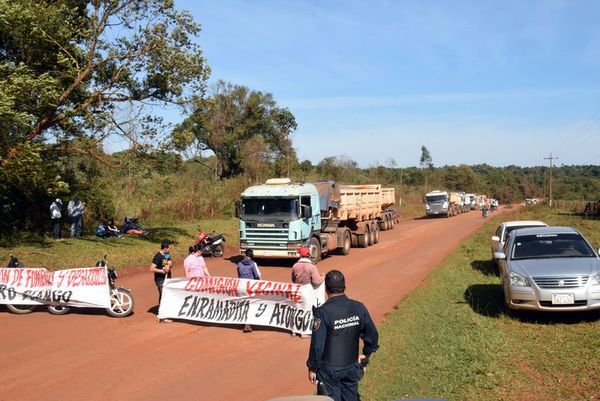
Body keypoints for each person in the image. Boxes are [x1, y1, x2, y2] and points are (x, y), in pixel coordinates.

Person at [307, 270, 379, 401]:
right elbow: (372, 335)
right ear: (345, 286)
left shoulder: (322, 312)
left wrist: (312, 367)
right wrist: (366, 355)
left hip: (329, 372)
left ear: (326, 289)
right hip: (351, 367)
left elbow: (317, 345)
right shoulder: (358, 307)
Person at [237, 249, 261, 332]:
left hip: (241, 286)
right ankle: (248, 323)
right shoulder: (253, 264)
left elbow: (239, 275)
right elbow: (257, 276)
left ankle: (244, 322)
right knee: (251, 305)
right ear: (252, 256)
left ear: (245, 255)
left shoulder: (239, 264)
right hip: (250, 286)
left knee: (243, 304)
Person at [149, 240, 173, 322]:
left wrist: (168, 265)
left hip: (167, 279)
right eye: (169, 248)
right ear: (165, 248)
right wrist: (162, 271)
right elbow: (151, 268)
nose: (170, 249)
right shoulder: (158, 256)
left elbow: (170, 263)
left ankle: (166, 313)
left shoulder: (166, 255)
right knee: (163, 296)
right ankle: (163, 316)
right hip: (160, 280)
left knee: (167, 295)